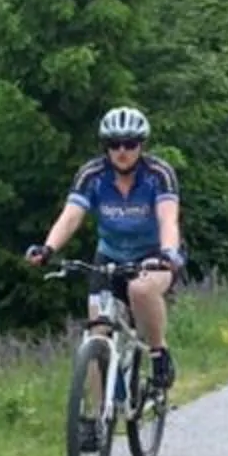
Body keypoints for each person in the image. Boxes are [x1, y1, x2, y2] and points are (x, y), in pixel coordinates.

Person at [27, 105, 184, 390]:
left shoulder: (158, 173)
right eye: (114, 144)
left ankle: (159, 352)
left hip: (153, 255)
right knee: (97, 332)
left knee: (140, 290)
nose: (122, 151)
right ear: (105, 147)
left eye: (130, 144)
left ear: (141, 146)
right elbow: (72, 215)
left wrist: (168, 253)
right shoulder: (92, 175)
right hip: (110, 256)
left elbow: (168, 219)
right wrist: (48, 249)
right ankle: (95, 423)